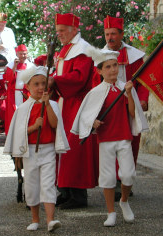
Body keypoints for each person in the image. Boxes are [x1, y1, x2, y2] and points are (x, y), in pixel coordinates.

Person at [71, 48, 148, 226]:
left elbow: (132, 113)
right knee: (107, 177)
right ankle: (110, 212)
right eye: (108, 67)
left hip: (123, 137)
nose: (113, 70)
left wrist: (129, 93)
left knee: (128, 175)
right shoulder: (95, 92)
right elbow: (86, 115)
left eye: (115, 66)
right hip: (105, 139)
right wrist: (93, 122)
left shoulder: (125, 88)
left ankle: (124, 201)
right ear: (100, 70)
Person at [3, 65, 69, 232]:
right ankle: (35, 219)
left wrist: (46, 105)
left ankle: (50, 220)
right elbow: (19, 132)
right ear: (28, 87)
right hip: (30, 151)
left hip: (48, 150)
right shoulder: (23, 109)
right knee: (31, 185)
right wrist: (33, 127)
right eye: (36, 84)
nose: (40, 87)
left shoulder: (52, 105)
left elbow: (55, 124)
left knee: (48, 184)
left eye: (43, 84)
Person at [48, 13, 101, 209]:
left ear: (73, 29)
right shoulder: (68, 48)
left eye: (62, 31)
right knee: (62, 147)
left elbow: (79, 77)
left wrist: (55, 81)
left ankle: (78, 196)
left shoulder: (83, 50)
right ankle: (65, 190)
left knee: (74, 150)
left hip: (77, 103)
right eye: (58, 31)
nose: (59, 34)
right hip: (65, 102)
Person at [103, 15, 149, 198]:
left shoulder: (135, 56)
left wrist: (144, 99)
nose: (109, 38)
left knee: (131, 143)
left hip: (130, 103)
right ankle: (113, 181)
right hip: (109, 106)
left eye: (113, 33)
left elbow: (143, 81)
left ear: (121, 34)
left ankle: (125, 181)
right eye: (107, 34)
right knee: (110, 143)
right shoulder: (100, 56)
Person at [4, 44, 34, 134]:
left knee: (26, 114)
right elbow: (8, 79)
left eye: (24, 54)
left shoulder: (30, 65)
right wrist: (15, 67)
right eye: (21, 54)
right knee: (13, 114)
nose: (23, 56)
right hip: (14, 93)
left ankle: (25, 133)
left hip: (25, 93)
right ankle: (13, 134)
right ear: (17, 54)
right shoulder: (10, 65)